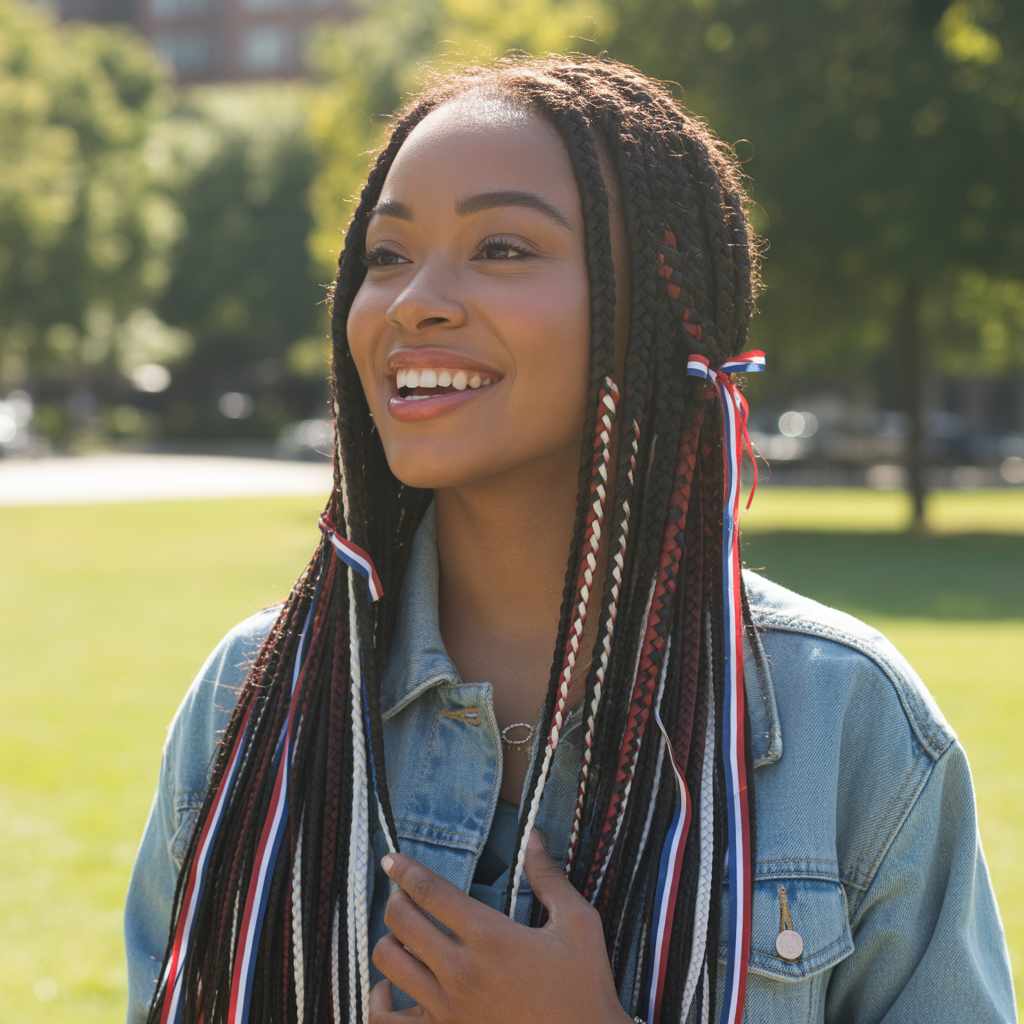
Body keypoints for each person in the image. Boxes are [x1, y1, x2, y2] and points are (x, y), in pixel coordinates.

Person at [125, 56, 1016, 1024]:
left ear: (655, 310)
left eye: (502, 247)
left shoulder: (840, 718)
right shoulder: (255, 697)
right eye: (386, 255)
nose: (414, 299)